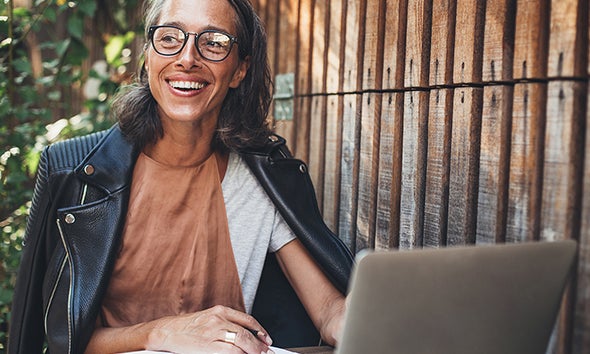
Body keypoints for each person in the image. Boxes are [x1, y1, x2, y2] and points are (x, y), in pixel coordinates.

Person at [7, 0, 354, 353]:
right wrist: (161, 332)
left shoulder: (264, 177)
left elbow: (328, 310)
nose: (188, 57)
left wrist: (366, 323)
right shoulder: (74, 173)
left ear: (239, 70)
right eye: (170, 38)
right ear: (148, 57)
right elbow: (60, 339)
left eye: (214, 42)